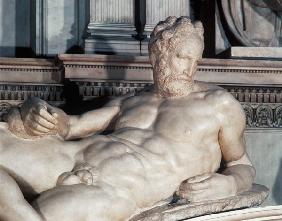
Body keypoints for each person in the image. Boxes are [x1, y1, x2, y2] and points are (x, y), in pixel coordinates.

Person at [1, 16, 255, 221]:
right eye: (182, 58)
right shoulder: (131, 101)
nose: (189, 70)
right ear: (157, 56)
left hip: (113, 190)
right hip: (72, 158)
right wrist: (33, 109)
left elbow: (241, 163)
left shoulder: (219, 105)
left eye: (195, 61)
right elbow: (69, 127)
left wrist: (231, 184)